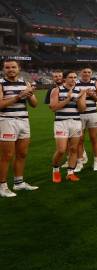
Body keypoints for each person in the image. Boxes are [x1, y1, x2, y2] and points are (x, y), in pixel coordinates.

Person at [0, 60, 38, 197]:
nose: (10, 69)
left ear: (19, 68)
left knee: (22, 154)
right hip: (7, 121)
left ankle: (18, 183)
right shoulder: (1, 83)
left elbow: (34, 104)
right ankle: (2, 186)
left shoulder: (24, 83)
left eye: (13, 67)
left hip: (24, 121)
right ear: (4, 70)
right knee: (7, 156)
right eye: (7, 67)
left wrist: (29, 94)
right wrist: (19, 96)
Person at [49, 71, 87, 182]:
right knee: (61, 150)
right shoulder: (56, 90)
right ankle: (55, 170)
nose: (73, 79)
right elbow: (53, 108)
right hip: (61, 122)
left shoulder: (80, 91)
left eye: (75, 77)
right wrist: (68, 98)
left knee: (74, 148)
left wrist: (78, 98)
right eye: (70, 77)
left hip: (75, 122)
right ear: (64, 79)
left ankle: (70, 173)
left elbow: (82, 109)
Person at [75, 66, 97, 171]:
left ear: (91, 74)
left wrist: (93, 95)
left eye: (88, 72)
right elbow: (71, 98)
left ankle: (96, 162)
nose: (86, 74)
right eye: (84, 72)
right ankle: (79, 162)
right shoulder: (75, 83)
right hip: (78, 115)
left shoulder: (95, 84)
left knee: (94, 138)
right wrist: (81, 94)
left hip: (93, 114)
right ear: (80, 72)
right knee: (79, 140)